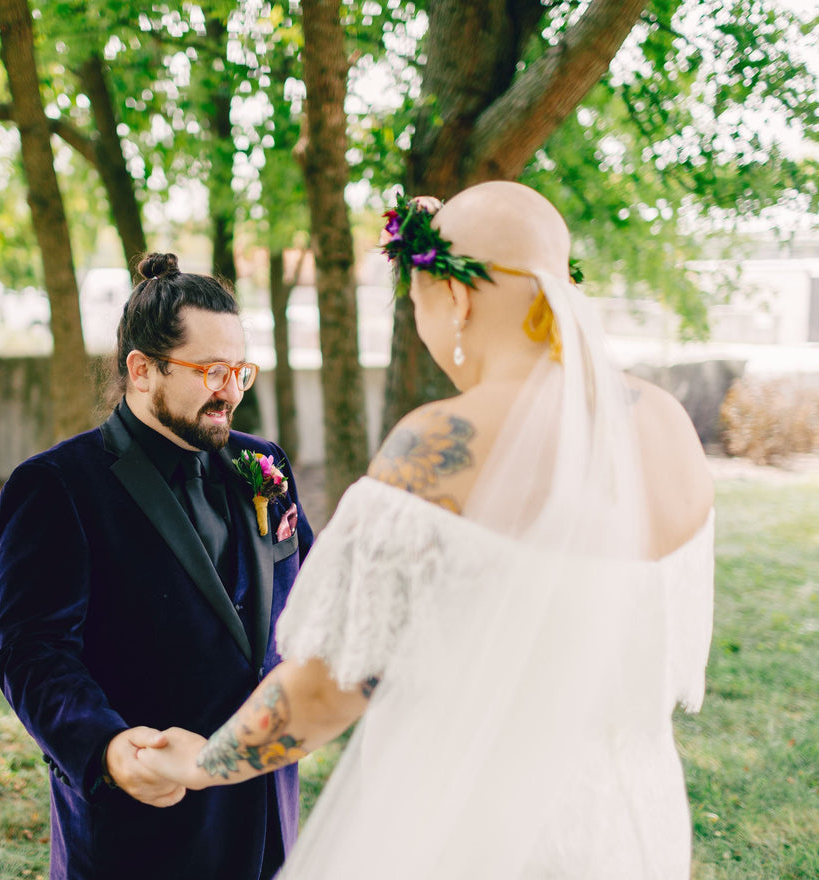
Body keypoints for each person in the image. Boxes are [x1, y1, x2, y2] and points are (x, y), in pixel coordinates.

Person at [136, 183, 716, 878]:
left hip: (480, 833)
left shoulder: (439, 443)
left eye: (417, 304)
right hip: (634, 829)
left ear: (457, 300)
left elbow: (324, 690)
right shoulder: (665, 423)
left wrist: (201, 764)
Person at [0, 253, 313, 880]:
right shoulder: (56, 487)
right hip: (146, 828)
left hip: (270, 814)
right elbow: (34, 654)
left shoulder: (263, 464)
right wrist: (108, 749)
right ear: (142, 370)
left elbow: (312, 593)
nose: (231, 390)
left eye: (240, 370)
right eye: (211, 370)